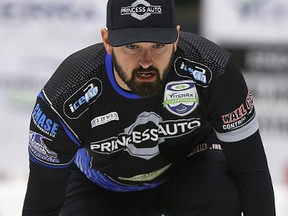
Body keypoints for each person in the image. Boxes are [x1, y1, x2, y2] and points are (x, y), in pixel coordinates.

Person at [22, 0, 276, 215]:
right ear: (107, 41)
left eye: (158, 46)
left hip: (190, 172)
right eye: (131, 47)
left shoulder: (213, 68)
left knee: (219, 192)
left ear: (176, 38)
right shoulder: (66, 94)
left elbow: (251, 171)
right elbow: (41, 201)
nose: (146, 62)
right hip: (103, 187)